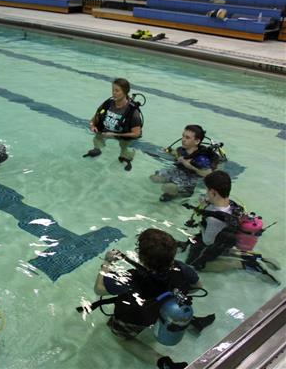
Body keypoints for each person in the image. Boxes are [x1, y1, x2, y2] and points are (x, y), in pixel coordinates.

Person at [94, 229, 215, 369]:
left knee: (121, 337)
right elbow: (198, 287)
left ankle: (164, 363)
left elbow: (99, 289)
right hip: (164, 310)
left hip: (137, 319)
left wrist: (107, 262)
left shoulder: (130, 277)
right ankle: (193, 322)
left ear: (141, 257)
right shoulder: (182, 269)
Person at [182, 171, 280, 281]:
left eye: (207, 190)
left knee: (195, 265)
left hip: (217, 243)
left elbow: (208, 241)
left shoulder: (213, 219)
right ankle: (257, 258)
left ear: (213, 192)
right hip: (228, 240)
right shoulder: (234, 205)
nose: (206, 193)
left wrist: (201, 225)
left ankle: (241, 264)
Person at [83, 78, 142, 171]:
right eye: (113, 90)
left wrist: (115, 134)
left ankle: (127, 155)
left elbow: (136, 133)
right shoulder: (108, 103)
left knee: (123, 154)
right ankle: (97, 148)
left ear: (125, 92)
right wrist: (92, 126)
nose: (114, 93)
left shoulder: (133, 111)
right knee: (98, 137)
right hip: (105, 132)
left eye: (117, 91)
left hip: (122, 135)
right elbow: (94, 118)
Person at [150, 125, 215, 202]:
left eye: (187, 138)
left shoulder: (201, 158)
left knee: (168, 188)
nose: (183, 140)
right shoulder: (182, 149)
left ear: (197, 141)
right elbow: (178, 155)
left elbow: (209, 174)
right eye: (183, 136)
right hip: (177, 172)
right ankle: (171, 187)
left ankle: (175, 194)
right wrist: (169, 151)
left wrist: (190, 167)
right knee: (154, 178)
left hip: (189, 179)